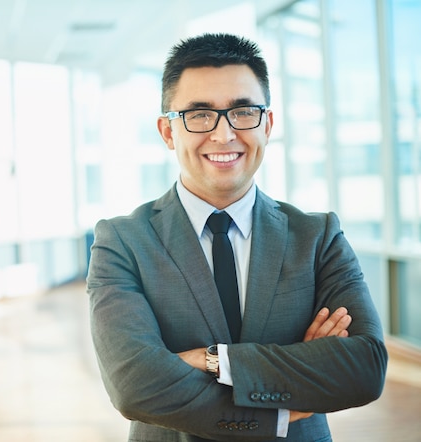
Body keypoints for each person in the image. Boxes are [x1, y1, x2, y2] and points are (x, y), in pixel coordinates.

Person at [87, 33, 388, 441]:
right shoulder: (122, 242)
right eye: (199, 115)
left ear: (267, 123)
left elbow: (364, 369)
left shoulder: (317, 236)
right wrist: (289, 387)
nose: (224, 134)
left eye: (243, 111)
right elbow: (135, 385)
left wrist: (212, 361)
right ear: (167, 132)